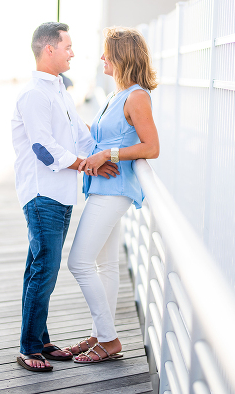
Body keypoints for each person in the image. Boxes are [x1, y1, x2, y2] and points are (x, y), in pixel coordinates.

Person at [12, 22, 119, 372]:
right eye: (68, 46)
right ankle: (30, 347)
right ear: (49, 50)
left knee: (39, 267)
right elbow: (43, 148)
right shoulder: (34, 95)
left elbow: (81, 137)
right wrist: (85, 165)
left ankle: (41, 339)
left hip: (61, 194)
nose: (73, 52)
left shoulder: (60, 91)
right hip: (42, 193)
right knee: (44, 269)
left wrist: (107, 158)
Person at [65, 26, 159, 364]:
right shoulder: (115, 95)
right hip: (103, 187)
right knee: (105, 265)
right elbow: (102, 137)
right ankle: (98, 334)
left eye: (107, 53)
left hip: (115, 189)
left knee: (78, 262)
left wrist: (109, 155)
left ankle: (109, 339)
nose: (102, 58)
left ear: (121, 56)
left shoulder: (137, 96)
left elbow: (152, 146)